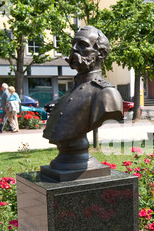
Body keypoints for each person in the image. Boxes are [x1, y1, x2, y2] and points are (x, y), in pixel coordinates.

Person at [42, 25, 123, 172]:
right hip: (64, 163)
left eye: (82, 45)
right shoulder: (71, 92)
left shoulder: (105, 93)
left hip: (79, 163)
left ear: (101, 54)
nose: (74, 49)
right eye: (73, 44)